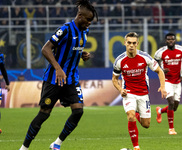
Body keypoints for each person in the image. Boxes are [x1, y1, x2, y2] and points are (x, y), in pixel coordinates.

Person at [19, 0, 98, 150]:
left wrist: (82, 54)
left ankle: (57, 143)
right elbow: (46, 49)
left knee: (78, 111)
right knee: (44, 113)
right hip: (54, 79)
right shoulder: (65, 29)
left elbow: (72, 49)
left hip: (71, 79)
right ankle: (24, 147)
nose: (89, 23)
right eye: (88, 20)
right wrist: (58, 68)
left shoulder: (85, 31)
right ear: (80, 16)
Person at [112, 32, 167, 150]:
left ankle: (137, 113)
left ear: (137, 44)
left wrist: (163, 86)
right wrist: (120, 89)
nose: (131, 45)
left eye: (133, 43)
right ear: (125, 43)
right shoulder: (119, 60)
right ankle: (136, 147)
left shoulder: (145, 57)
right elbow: (114, 79)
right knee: (130, 116)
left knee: (146, 125)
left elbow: (160, 71)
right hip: (129, 93)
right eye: (129, 43)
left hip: (143, 94)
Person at [154, 32, 182, 135]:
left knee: (174, 107)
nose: (170, 41)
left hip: (177, 82)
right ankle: (171, 129)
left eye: (172, 39)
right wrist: (161, 70)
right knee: (170, 102)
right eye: (169, 39)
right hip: (166, 81)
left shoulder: (181, 50)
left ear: (175, 40)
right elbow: (154, 64)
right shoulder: (160, 52)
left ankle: (160, 111)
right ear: (166, 41)